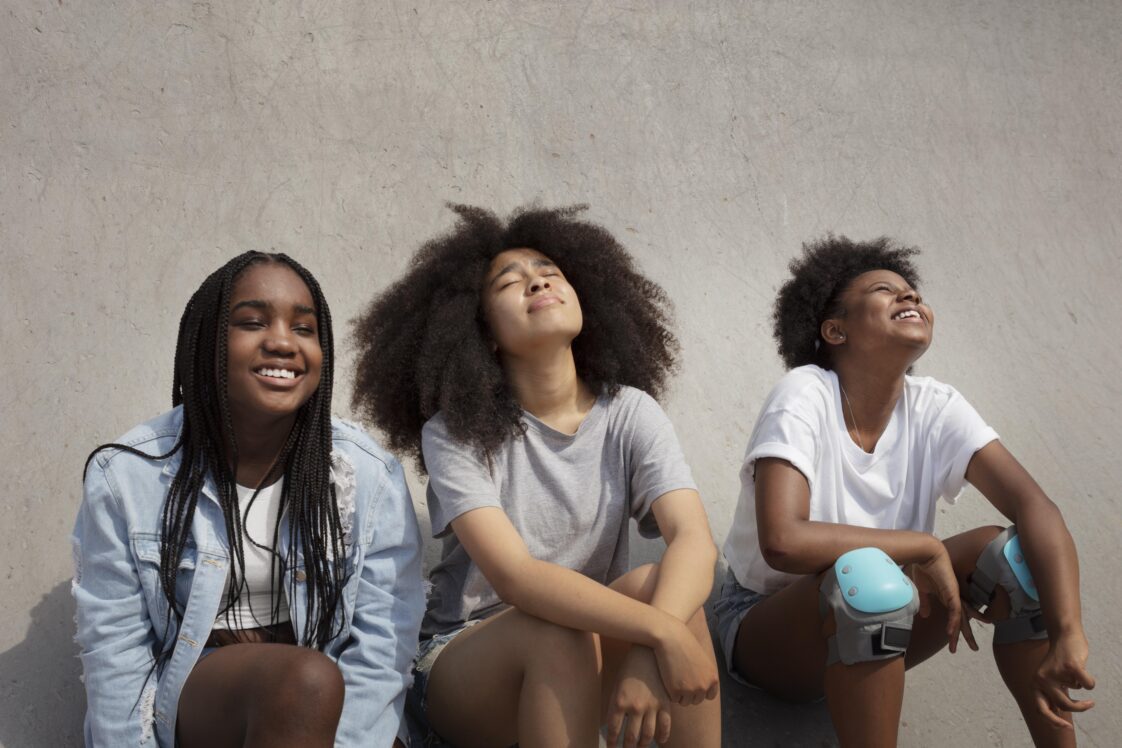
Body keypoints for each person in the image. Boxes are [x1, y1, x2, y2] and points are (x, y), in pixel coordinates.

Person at [351, 205, 721, 748]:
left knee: (661, 587)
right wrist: (659, 631)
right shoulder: (456, 432)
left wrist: (650, 646)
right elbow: (517, 578)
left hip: (588, 641)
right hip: (467, 664)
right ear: (484, 334)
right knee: (560, 628)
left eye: (548, 269)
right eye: (509, 281)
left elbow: (693, 540)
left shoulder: (630, 412)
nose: (538, 280)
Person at [717, 236, 1096, 747]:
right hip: (766, 626)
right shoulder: (804, 393)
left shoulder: (935, 406)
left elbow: (1035, 508)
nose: (910, 299)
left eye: (914, 294)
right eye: (885, 290)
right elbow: (783, 541)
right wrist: (922, 546)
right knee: (869, 576)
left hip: (879, 614)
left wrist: (1068, 632)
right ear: (835, 330)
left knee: (1014, 559)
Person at [72, 252, 424, 747]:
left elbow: (384, 645)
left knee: (313, 682)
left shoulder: (368, 475)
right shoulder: (129, 476)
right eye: (252, 322)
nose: (282, 342)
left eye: (304, 329)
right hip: (202, 698)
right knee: (306, 680)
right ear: (207, 344)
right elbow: (115, 653)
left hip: (333, 706)